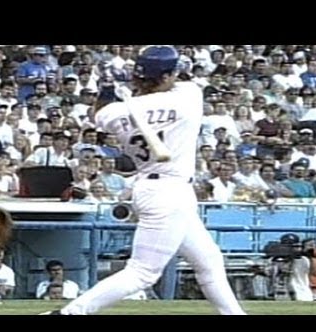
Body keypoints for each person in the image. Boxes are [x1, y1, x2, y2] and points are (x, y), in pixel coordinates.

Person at [42, 45, 245, 315]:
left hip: (151, 187)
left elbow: (100, 111)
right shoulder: (188, 98)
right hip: (170, 192)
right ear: (165, 76)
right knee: (142, 273)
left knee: (208, 260)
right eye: (171, 73)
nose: (175, 76)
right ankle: (69, 313)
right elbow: (178, 84)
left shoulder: (115, 112)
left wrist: (109, 88)